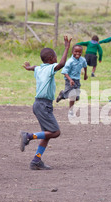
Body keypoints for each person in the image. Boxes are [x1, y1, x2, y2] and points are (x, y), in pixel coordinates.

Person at [20, 36, 72, 170]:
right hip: (43, 105)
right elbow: (61, 64)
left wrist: (28, 67)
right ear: (51, 59)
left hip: (38, 104)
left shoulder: (39, 69)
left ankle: (36, 160)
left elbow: (35, 67)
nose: (56, 59)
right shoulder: (50, 68)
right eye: (55, 57)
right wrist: (66, 48)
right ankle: (29, 136)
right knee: (55, 132)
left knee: (47, 134)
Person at [55, 44, 88, 117]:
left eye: (79, 52)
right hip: (69, 80)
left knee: (76, 98)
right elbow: (64, 72)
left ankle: (63, 94)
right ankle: (70, 112)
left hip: (77, 80)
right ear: (72, 52)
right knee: (72, 96)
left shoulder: (82, 60)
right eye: (76, 52)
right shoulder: (70, 61)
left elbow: (85, 66)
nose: (77, 54)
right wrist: (70, 80)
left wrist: (85, 74)